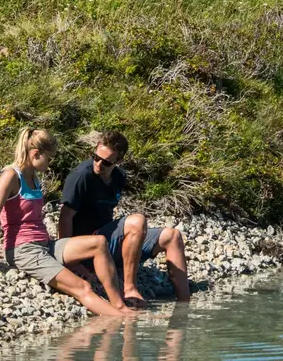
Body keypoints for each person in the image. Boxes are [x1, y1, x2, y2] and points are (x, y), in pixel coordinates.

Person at [0, 128, 135, 318]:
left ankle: (119, 306)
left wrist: (75, 262)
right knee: (83, 287)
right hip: (24, 250)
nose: (50, 163)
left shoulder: (34, 177)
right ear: (35, 154)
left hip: (46, 245)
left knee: (99, 243)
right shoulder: (10, 177)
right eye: (49, 158)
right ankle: (125, 322)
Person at [58, 130, 190, 306]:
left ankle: (184, 305)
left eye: (105, 162)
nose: (98, 164)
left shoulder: (119, 177)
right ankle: (130, 289)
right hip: (87, 248)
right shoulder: (81, 176)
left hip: (108, 245)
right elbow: (65, 218)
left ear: (118, 161)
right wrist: (71, 261)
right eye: (95, 157)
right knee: (137, 221)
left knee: (172, 236)